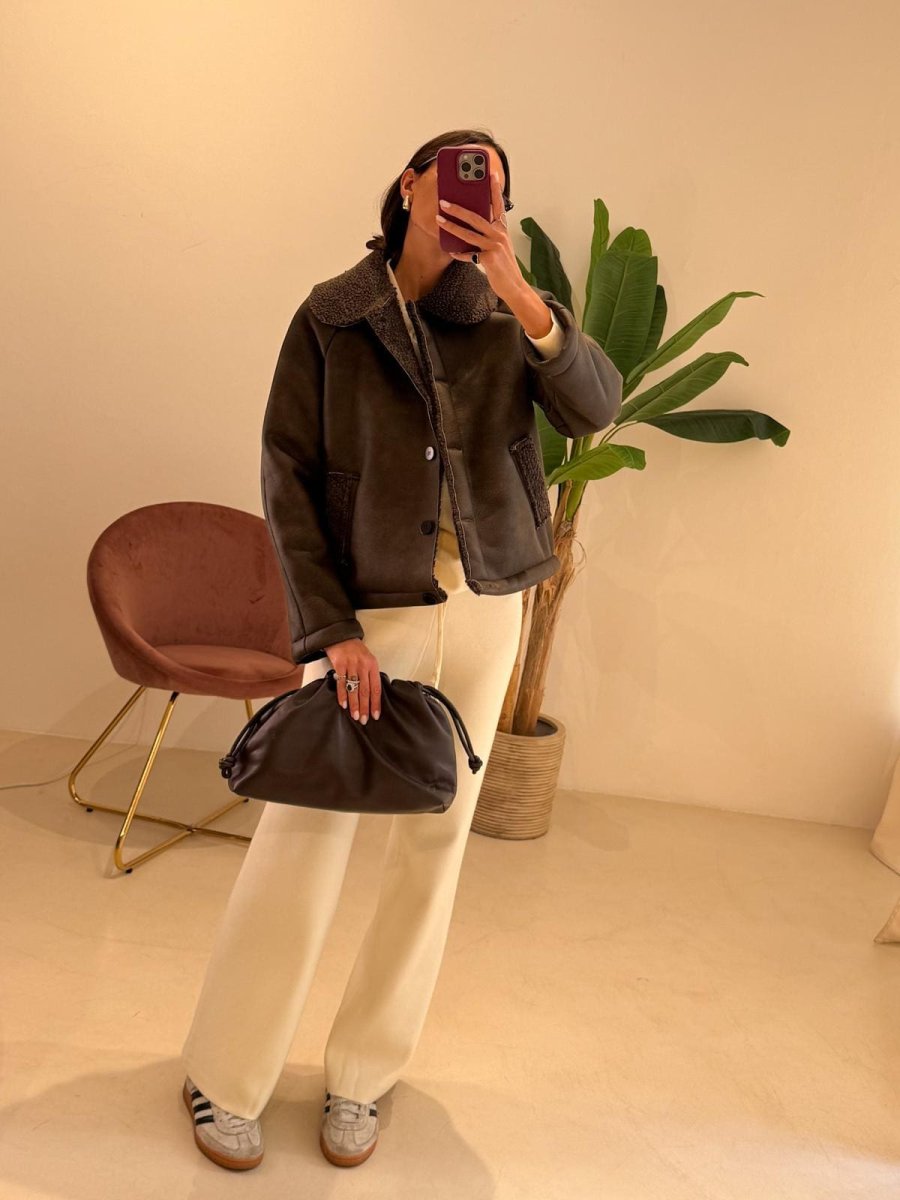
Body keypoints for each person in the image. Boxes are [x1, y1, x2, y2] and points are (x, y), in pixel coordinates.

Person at [179, 128, 622, 1171]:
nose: (476, 195)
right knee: (305, 838)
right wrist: (331, 631)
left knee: (435, 847)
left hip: (485, 608)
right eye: (461, 174)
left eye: (495, 187)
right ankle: (224, 1074)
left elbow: (594, 407)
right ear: (413, 183)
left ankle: (365, 1076)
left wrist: (523, 295)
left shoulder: (505, 314)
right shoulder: (332, 315)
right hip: (369, 617)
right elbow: (287, 479)